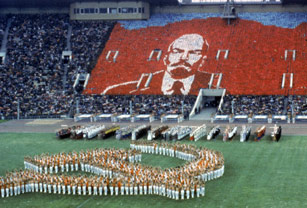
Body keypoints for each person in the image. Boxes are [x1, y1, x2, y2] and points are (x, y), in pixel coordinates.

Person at [102, 33, 212, 95]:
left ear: (203, 60)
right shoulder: (116, 91)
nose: (183, 57)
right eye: (177, 51)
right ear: (165, 57)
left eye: (194, 53)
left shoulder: (214, 89)